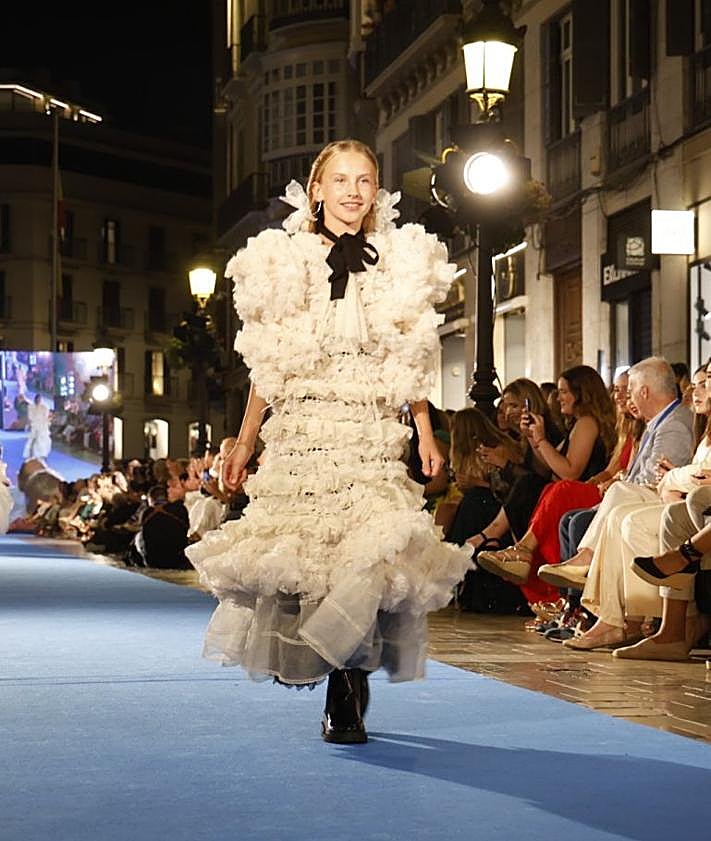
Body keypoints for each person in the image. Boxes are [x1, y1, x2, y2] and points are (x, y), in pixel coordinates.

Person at [185, 139, 472, 745]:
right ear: (316, 190)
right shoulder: (282, 261)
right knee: (311, 558)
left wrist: (425, 432)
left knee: (367, 552)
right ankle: (337, 669)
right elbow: (269, 364)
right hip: (306, 428)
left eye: (364, 180)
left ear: (376, 190)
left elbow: (409, 354)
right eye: (339, 179)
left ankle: (348, 684)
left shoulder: (399, 257)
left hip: (371, 426)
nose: (352, 191)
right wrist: (242, 441)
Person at [476, 365, 615, 604]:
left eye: (564, 391)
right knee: (540, 487)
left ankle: (520, 550)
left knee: (543, 487)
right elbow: (551, 465)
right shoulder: (576, 423)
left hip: (583, 492)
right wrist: (533, 438)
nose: (558, 397)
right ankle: (521, 556)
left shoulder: (587, 423)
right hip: (570, 491)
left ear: (581, 393)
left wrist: (540, 439)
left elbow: (570, 472)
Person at [23, 394, 52, 460]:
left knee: (43, 441)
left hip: (43, 426)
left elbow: (46, 417)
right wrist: (29, 425)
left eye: (39, 400)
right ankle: (30, 454)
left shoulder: (45, 407)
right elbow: (30, 417)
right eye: (37, 400)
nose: (38, 401)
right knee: (33, 440)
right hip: (35, 425)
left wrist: (47, 422)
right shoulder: (31, 407)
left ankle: (43, 454)